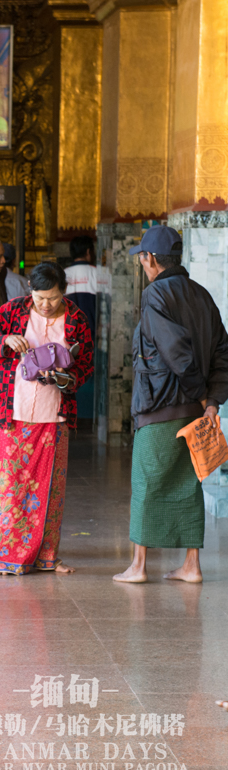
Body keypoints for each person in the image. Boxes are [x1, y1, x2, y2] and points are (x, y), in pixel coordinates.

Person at [114, 226, 228, 585]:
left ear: (149, 259)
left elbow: (175, 352)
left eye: (142, 258)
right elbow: (223, 353)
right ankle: (191, 566)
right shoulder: (202, 295)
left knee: (147, 481)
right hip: (196, 409)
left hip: (161, 406)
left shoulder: (155, 294)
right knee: (186, 483)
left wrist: (198, 392)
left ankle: (138, 566)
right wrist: (211, 401)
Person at [0, 261, 94, 576]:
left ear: (64, 292)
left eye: (53, 298)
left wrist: (68, 380)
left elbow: (85, 365)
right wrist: (4, 342)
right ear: (30, 289)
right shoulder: (11, 311)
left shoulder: (77, 320)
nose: (45, 304)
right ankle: (2, 556)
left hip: (54, 416)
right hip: (9, 414)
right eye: (40, 297)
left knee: (49, 489)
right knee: (6, 487)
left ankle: (46, 556)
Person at [65, 236, 99, 420]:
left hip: (68, 340)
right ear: (88, 252)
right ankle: (89, 416)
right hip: (94, 339)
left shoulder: (62, 275)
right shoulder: (99, 274)